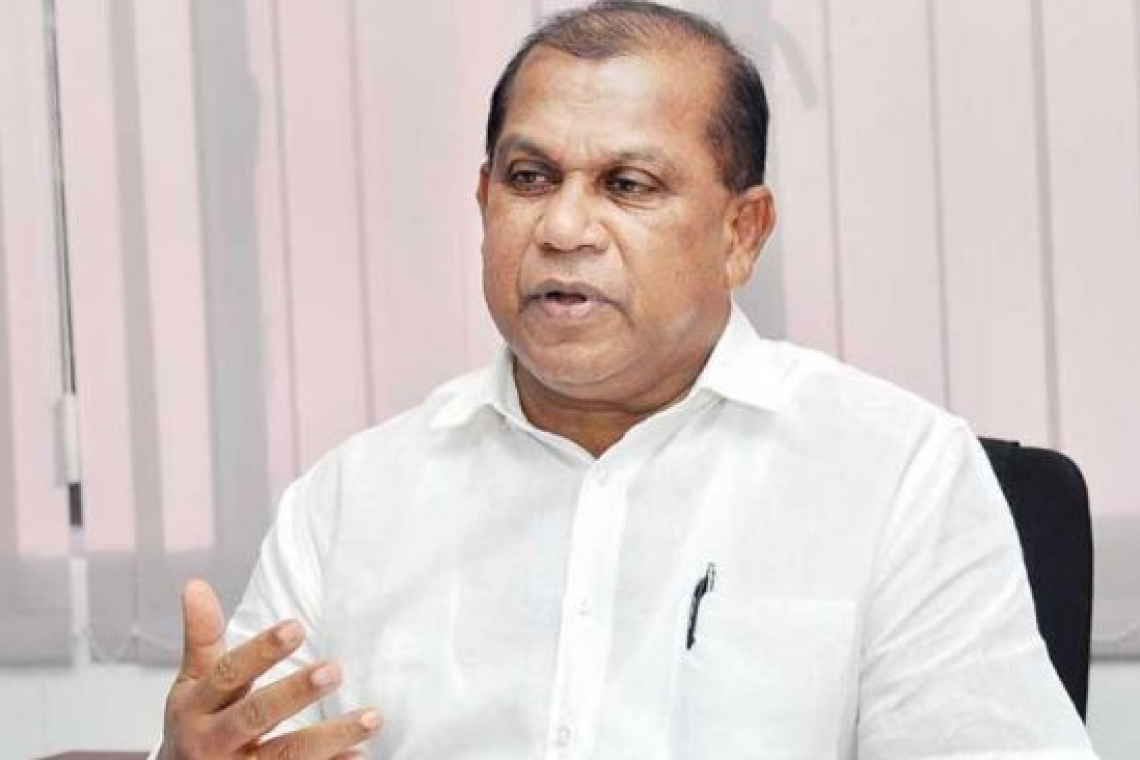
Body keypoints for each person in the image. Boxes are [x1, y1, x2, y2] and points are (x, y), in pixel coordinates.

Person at [155, 2, 1098, 758]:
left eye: (627, 185)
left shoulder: (896, 475)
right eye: (530, 178)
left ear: (741, 234)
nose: (563, 228)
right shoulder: (350, 501)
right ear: (483, 202)